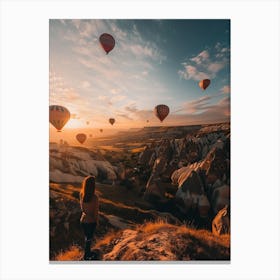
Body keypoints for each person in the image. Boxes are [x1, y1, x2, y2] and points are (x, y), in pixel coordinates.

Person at [80, 176, 99, 260]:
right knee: (89, 238)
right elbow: (95, 212)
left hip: (83, 220)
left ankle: (87, 253)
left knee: (87, 238)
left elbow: (82, 209)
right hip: (91, 221)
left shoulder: (82, 195)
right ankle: (87, 255)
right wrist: (96, 221)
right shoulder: (95, 198)